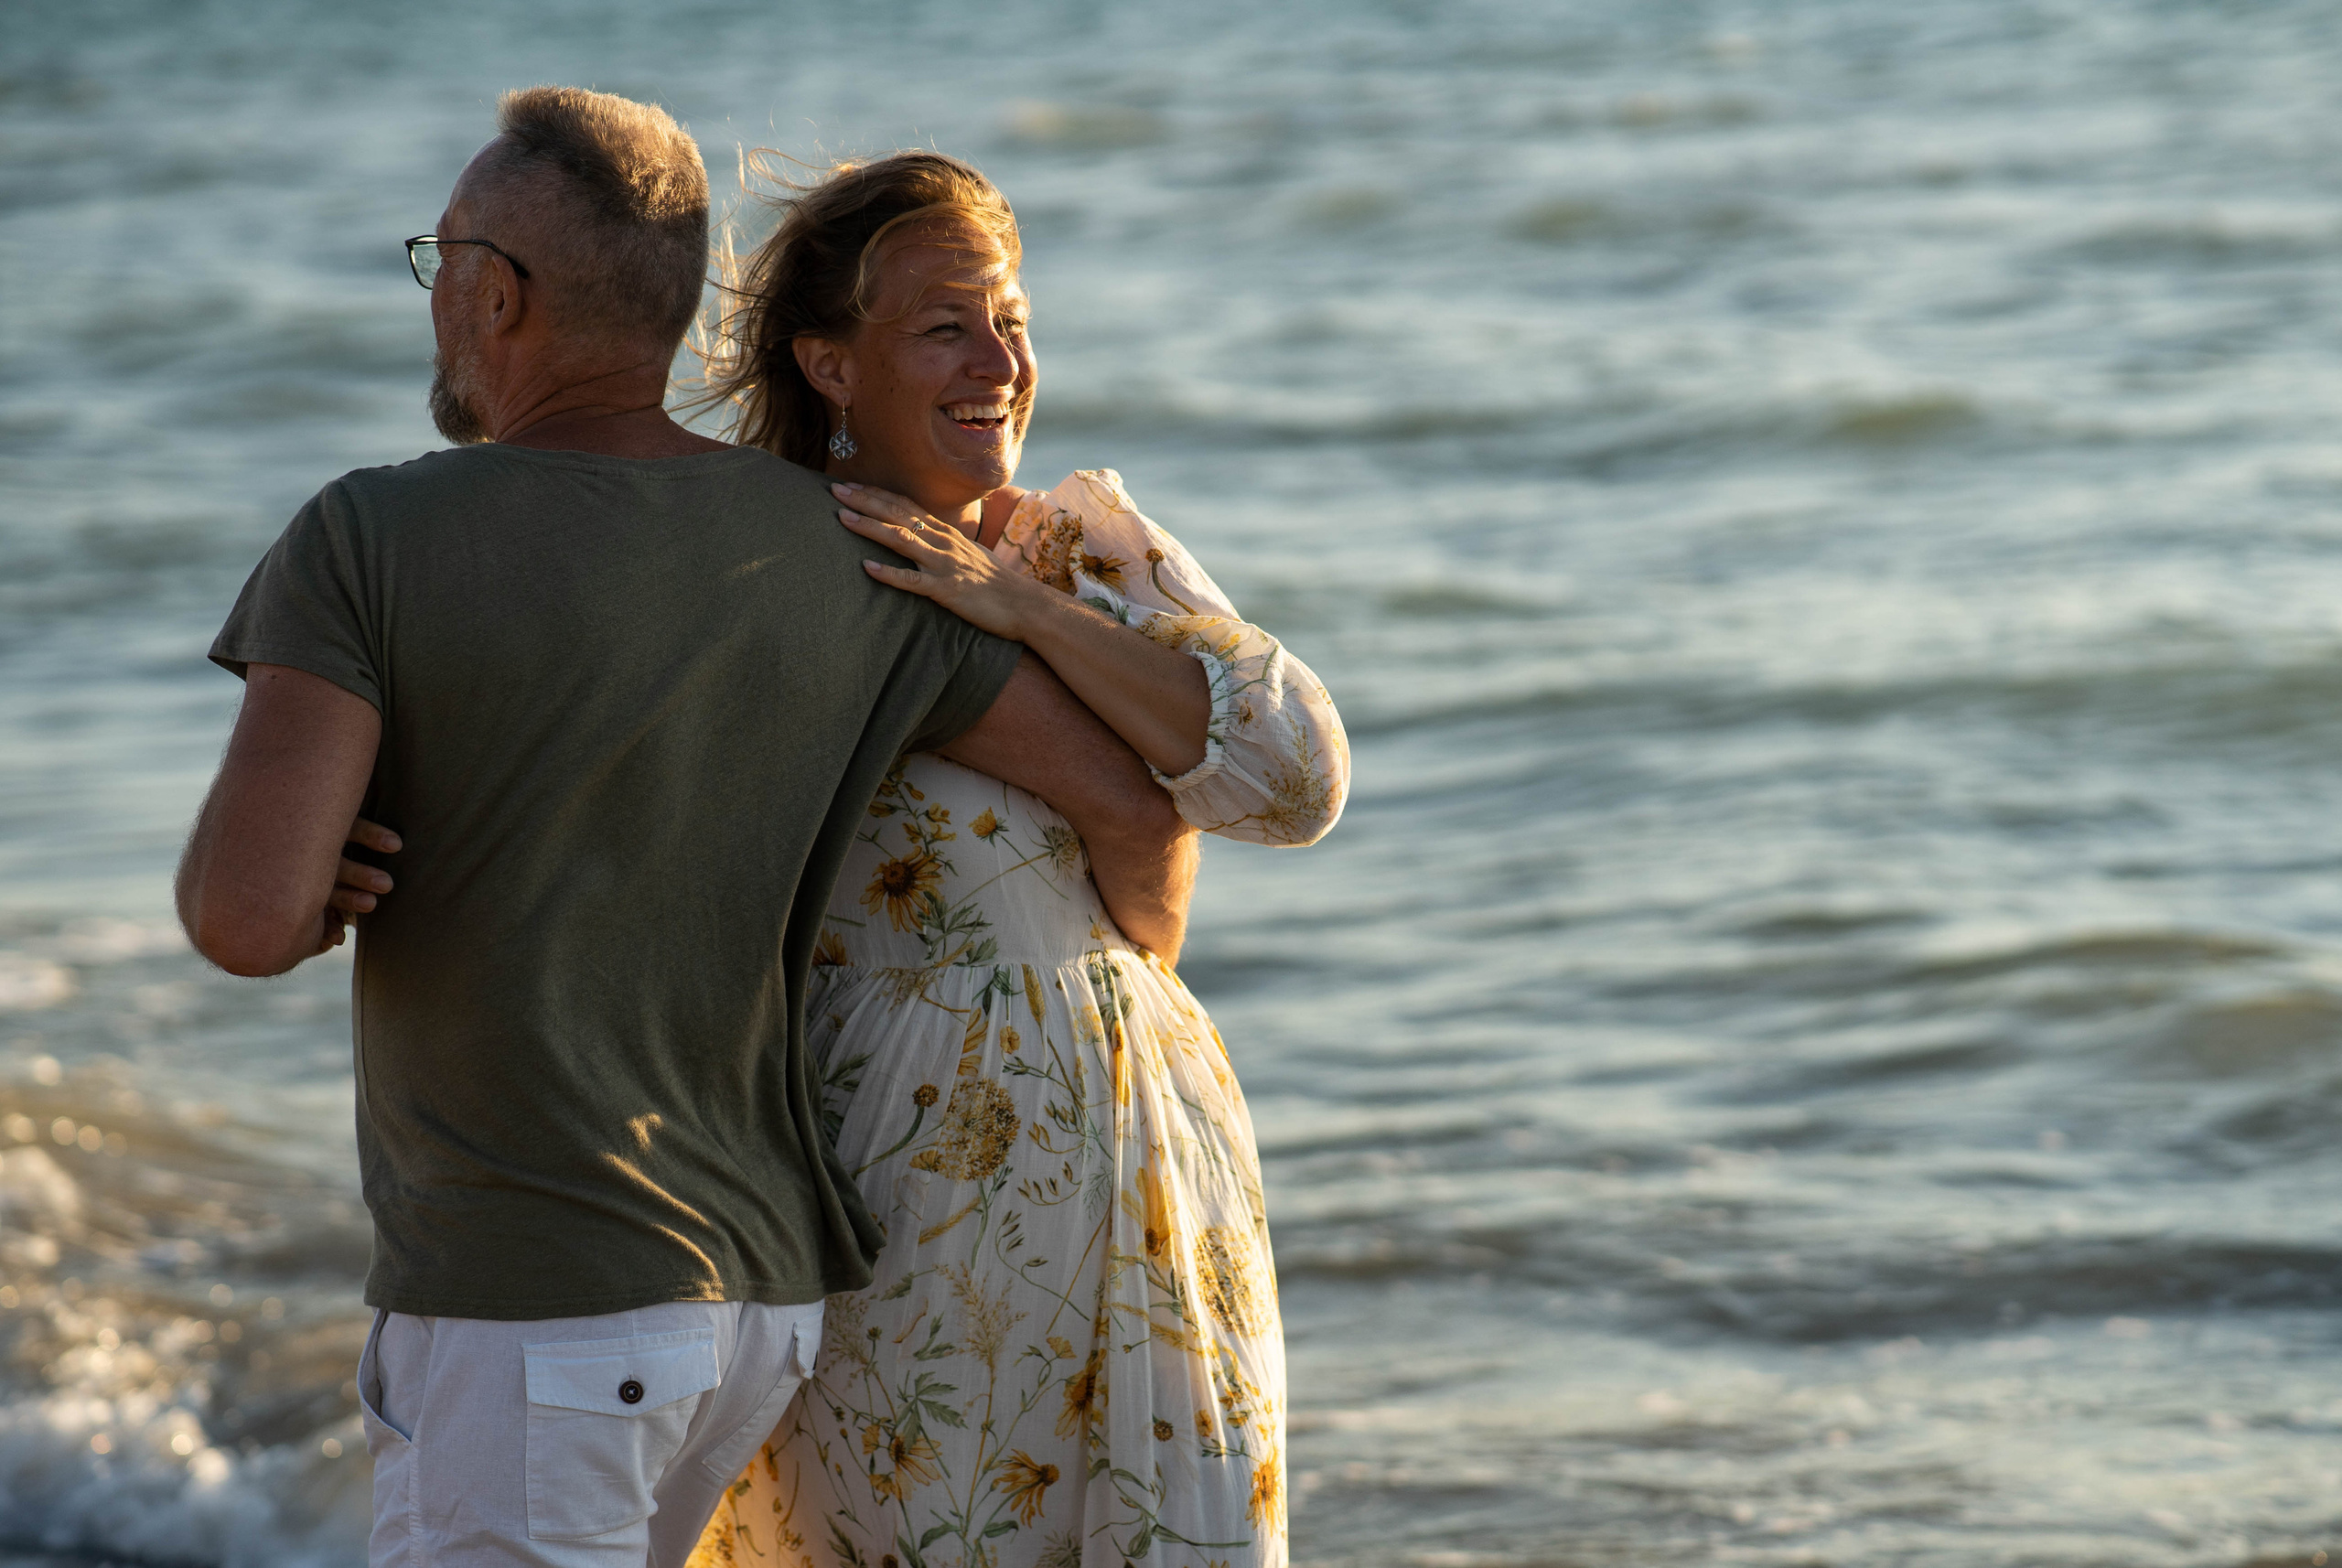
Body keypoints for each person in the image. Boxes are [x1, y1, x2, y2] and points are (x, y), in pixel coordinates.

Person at [173, 91, 1194, 1568]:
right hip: (761, 1309)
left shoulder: (367, 535)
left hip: (534, 1296)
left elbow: (244, 920)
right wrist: (1132, 972)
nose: (438, 295)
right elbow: (1124, 801)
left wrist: (308, 863)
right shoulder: (838, 546)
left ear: (496, 292)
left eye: (441, 262)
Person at [687, 154, 1348, 1568]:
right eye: (945, 325)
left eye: (1016, 317)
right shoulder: (766, 563)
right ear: (830, 361)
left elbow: (1298, 784)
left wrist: (1026, 613)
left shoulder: (1083, 553)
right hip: (904, 1178)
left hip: (1152, 1158)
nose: (1001, 361)